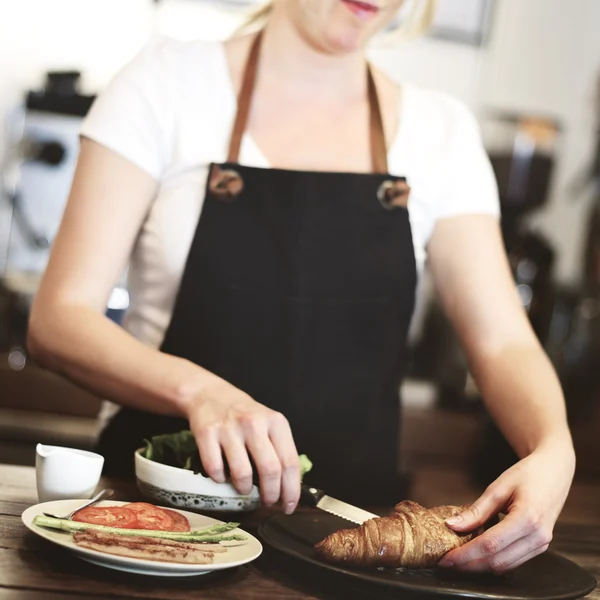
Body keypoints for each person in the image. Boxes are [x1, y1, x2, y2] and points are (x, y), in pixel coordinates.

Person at [28, 0, 575, 574]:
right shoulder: (166, 84)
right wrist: (201, 393)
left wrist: (552, 446)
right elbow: (59, 319)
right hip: (152, 534)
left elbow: (502, 341)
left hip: (353, 550)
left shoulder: (442, 133)